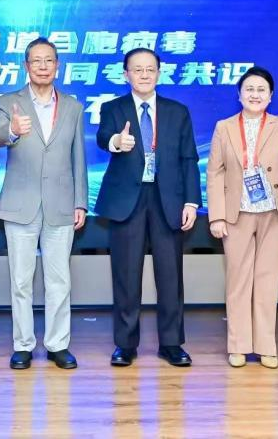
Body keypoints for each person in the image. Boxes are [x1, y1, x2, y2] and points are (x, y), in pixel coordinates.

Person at [95, 48, 201, 367]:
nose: (144, 74)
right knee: (126, 275)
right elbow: (103, 137)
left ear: (159, 73)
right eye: (137, 69)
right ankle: (125, 344)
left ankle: (171, 343)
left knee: (170, 275)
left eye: (150, 69)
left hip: (167, 198)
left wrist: (191, 201)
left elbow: (189, 158)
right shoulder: (113, 107)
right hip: (127, 199)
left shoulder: (177, 111)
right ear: (125, 74)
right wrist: (116, 142)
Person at [0, 38, 87, 370]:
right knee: (21, 280)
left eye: (49, 61)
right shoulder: (8, 102)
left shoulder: (72, 106)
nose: (43, 66)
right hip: (21, 204)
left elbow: (78, 157)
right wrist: (13, 130)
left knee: (59, 280)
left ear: (57, 66)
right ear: (26, 66)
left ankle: (58, 344)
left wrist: (81, 201)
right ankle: (23, 345)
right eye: (36, 61)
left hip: (61, 204)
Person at [206, 67, 278, 369]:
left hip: (274, 213)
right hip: (236, 214)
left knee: (267, 280)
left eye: (261, 90)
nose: (255, 94)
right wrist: (216, 217)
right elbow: (214, 173)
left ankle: (266, 346)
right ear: (239, 95)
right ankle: (238, 346)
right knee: (238, 281)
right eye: (249, 89)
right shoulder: (224, 127)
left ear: (270, 96)